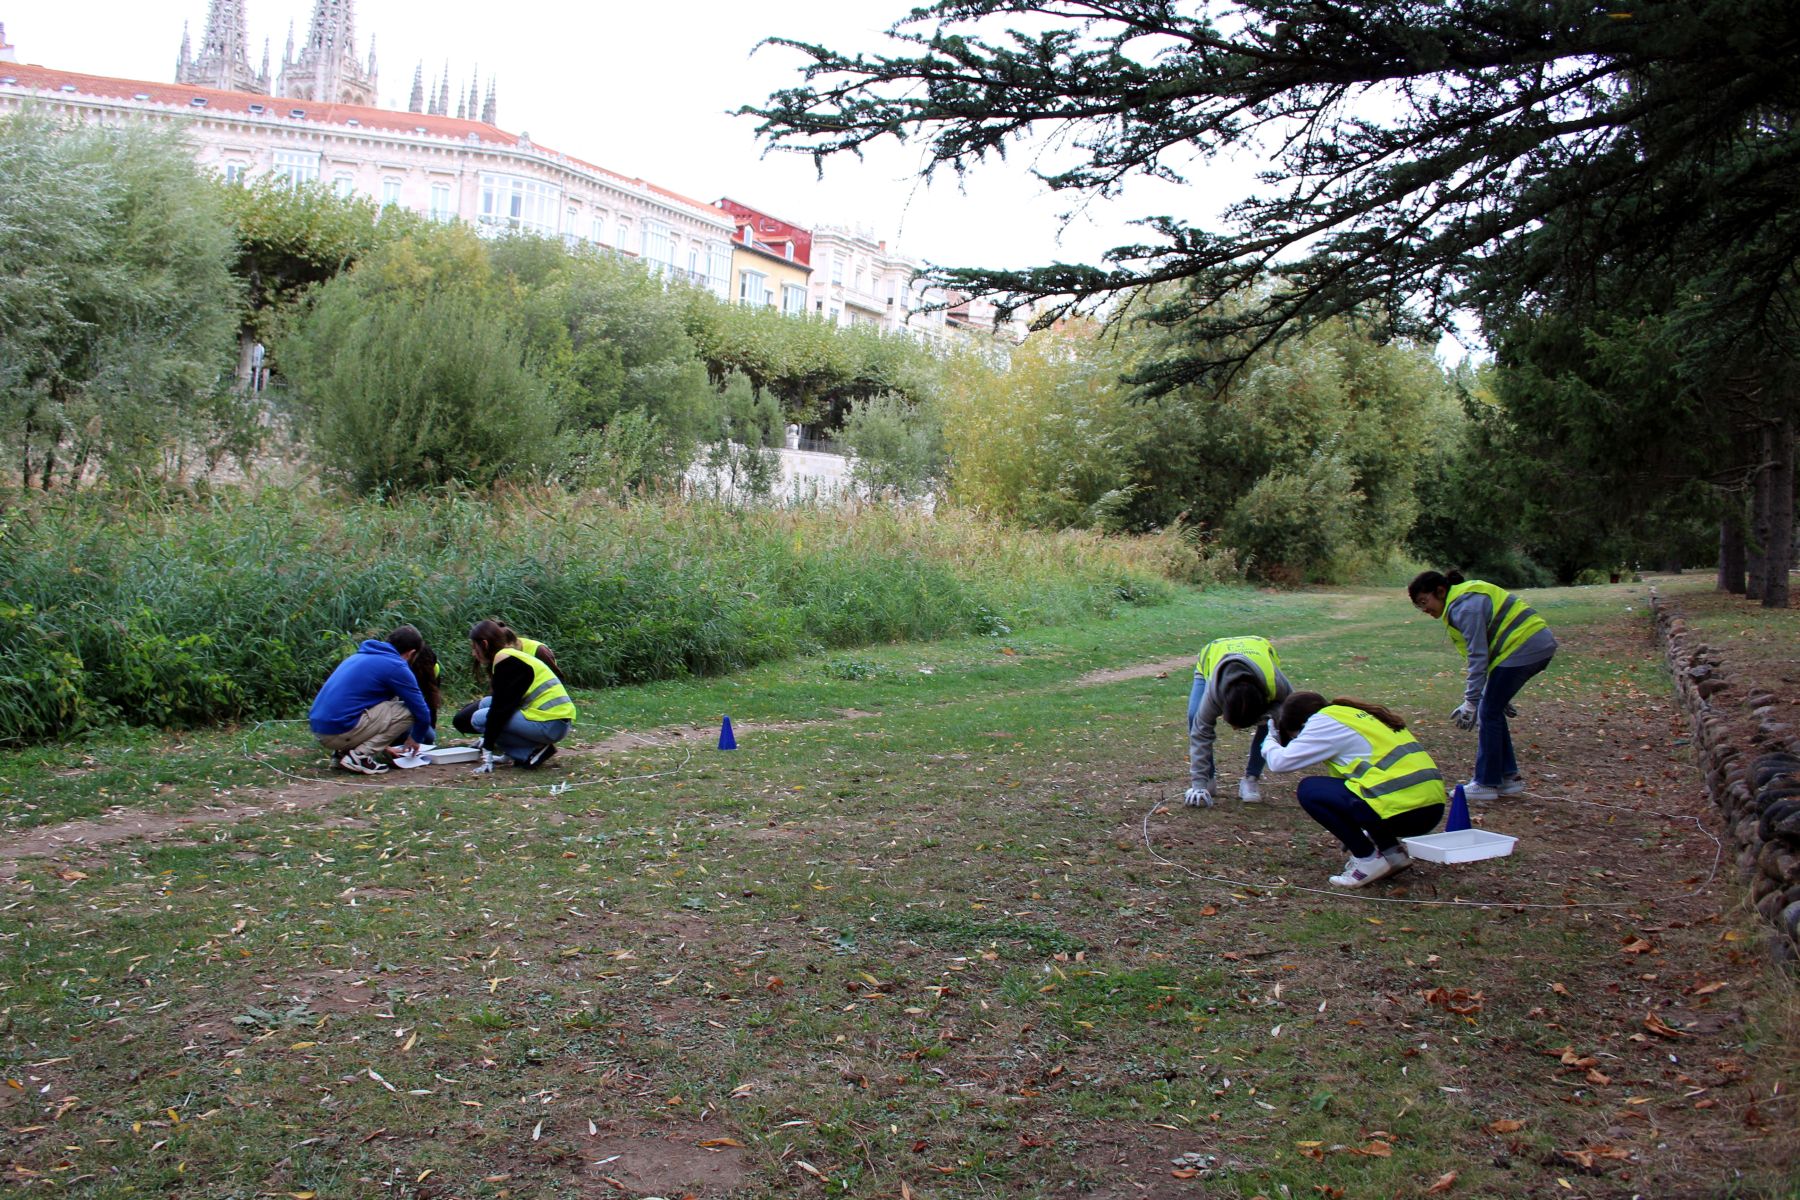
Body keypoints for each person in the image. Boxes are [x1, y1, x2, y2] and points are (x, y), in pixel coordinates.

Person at [1263, 691, 1448, 888]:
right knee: (1353, 791)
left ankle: (1368, 860)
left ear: (1300, 725)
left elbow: (1279, 763)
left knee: (1310, 789)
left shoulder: (1322, 723)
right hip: (1430, 807)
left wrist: (1270, 738)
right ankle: (1393, 854)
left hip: (1403, 808)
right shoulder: (1354, 715)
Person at [1407, 570, 1557, 801]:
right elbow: (1486, 653)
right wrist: (1493, 693)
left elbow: (1478, 656)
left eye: (1425, 602)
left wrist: (1471, 701)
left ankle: (1486, 783)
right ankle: (1509, 778)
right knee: (1491, 708)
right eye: (1419, 606)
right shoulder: (1464, 599)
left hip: (1524, 647)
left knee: (1487, 711)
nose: (1425, 610)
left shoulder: (1464, 608)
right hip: (1528, 646)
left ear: (1440, 591)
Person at [308, 625, 436, 775]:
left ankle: (342, 753)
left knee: (385, 700)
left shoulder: (358, 656)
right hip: (340, 730)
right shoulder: (396, 666)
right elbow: (421, 711)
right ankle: (359, 757)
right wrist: (415, 739)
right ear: (411, 653)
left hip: (321, 729)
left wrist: (385, 746)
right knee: (408, 711)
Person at [1185, 635, 1294, 808]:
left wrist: (1274, 722)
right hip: (1213, 654)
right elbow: (1201, 732)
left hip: (1258, 651)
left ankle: (1251, 779)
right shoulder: (1215, 692)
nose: (1235, 730)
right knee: (1195, 715)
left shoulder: (1275, 683)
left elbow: (1291, 711)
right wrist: (1198, 784)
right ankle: (1207, 780)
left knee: (1271, 723)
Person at [465, 618, 575, 768]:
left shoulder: (504, 660)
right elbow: (506, 703)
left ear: (484, 644)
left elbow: (501, 711)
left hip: (551, 723)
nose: (473, 653)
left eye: (474, 647)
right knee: (485, 704)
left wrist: (487, 753)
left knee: (479, 718)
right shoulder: (511, 656)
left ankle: (530, 751)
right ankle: (513, 753)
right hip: (556, 719)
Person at [453, 619, 557, 735]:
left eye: (475, 648)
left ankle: (526, 741)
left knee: (483, 717)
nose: (473, 653)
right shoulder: (497, 658)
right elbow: (501, 697)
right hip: (521, 704)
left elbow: (556, 684)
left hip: (541, 712)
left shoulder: (536, 651)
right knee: (465, 717)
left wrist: (490, 738)